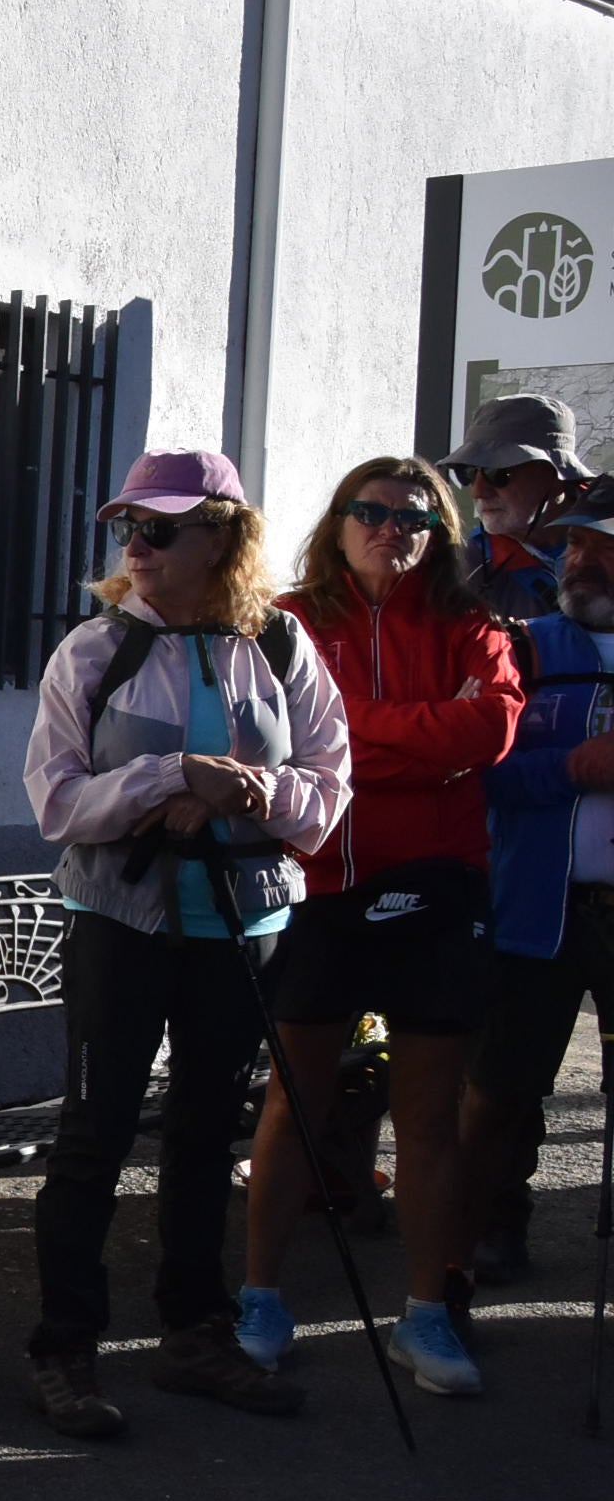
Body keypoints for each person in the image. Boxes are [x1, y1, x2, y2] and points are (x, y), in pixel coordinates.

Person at [17, 450, 349, 1436]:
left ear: (224, 537)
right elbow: (53, 803)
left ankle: (192, 1334)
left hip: (241, 922)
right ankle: (62, 1346)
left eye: (160, 528)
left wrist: (254, 790)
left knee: (207, 1135)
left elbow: (327, 796)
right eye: (129, 528)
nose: (138, 546)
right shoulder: (92, 650)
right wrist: (171, 775)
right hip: (120, 923)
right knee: (95, 1134)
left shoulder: (281, 646)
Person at [239, 457, 522, 1399]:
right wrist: (415, 741)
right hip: (321, 887)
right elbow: (292, 743)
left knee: (430, 1121)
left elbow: (490, 734)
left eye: (411, 518)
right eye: (369, 511)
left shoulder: (471, 624)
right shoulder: (287, 621)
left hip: (438, 895)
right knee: (295, 1106)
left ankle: (428, 1316)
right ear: (339, 520)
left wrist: (360, 742)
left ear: (438, 536)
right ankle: (261, 1299)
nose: (387, 529)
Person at [445, 393, 594, 1283]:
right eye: (473, 474)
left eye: (503, 472)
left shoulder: (584, 574)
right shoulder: (456, 571)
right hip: (494, 851)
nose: (483, 489)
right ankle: (490, 1221)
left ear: (558, 481)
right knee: (497, 1065)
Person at [470, 480, 614, 1322]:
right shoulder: (522, 647)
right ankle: (491, 1224)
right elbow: (479, 770)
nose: (582, 558)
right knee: (501, 1085)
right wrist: (571, 769)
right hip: (537, 903)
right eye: (577, 543)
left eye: (602, 545)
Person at [443, 392, 590, 623]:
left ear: (556, 472)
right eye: (469, 472)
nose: (478, 491)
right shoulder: (461, 573)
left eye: (498, 473)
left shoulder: (606, 535)